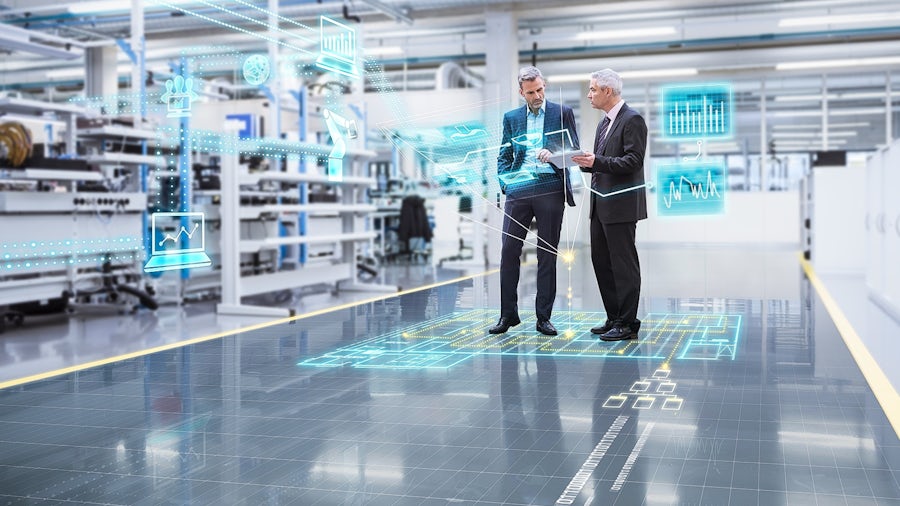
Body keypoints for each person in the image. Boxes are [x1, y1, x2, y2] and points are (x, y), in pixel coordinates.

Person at [490, 66, 579, 336]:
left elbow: (574, 150)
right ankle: (508, 315)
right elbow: (503, 156)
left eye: (540, 89)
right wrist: (507, 184)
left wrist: (552, 153)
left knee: (547, 254)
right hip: (519, 189)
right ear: (521, 93)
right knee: (508, 252)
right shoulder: (511, 118)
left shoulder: (562, 113)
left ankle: (543, 317)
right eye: (531, 92)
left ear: (544, 85)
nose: (537, 95)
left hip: (550, 187)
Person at [571, 69, 647, 342]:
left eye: (592, 89)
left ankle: (628, 323)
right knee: (602, 262)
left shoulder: (632, 119)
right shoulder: (604, 123)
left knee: (623, 265)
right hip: (600, 205)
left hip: (621, 206)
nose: (589, 94)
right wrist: (580, 162)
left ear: (608, 91)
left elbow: (633, 161)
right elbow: (602, 164)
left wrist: (597, 162)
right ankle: (614, 317)